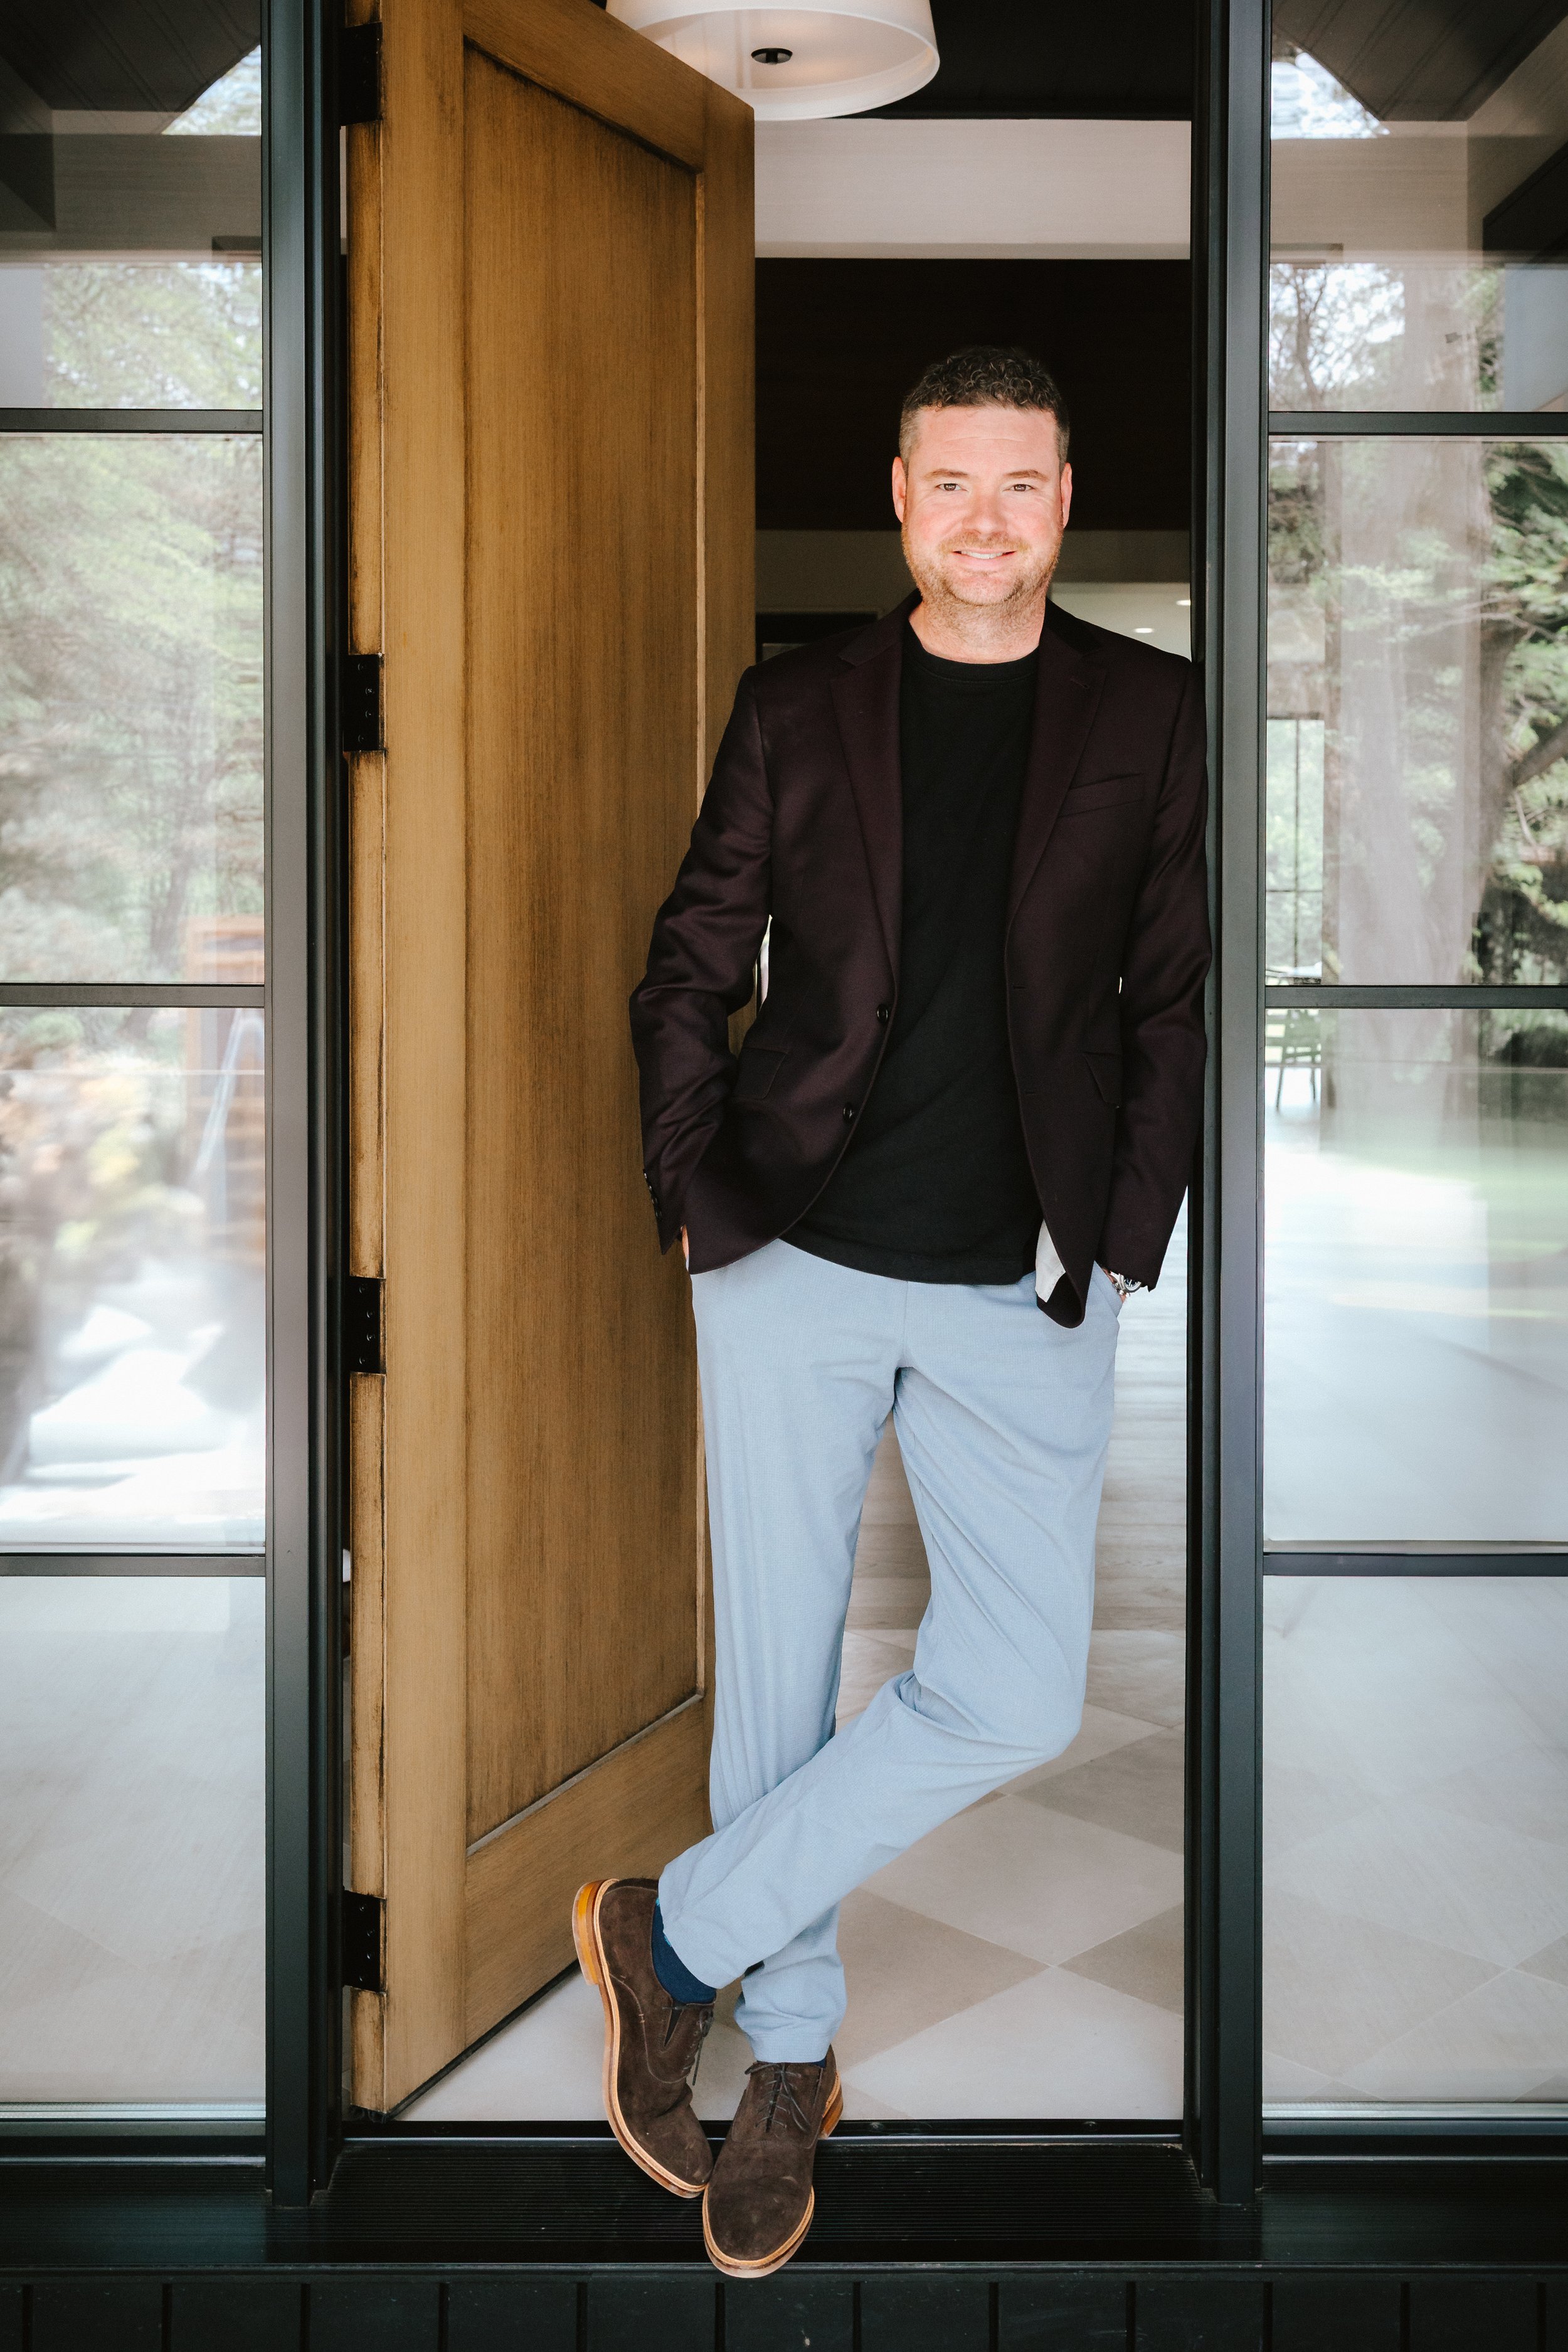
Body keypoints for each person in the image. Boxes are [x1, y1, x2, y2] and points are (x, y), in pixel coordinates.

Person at [573, 345, 1209, 2280]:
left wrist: (1116, 1236)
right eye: (952, 482)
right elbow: (691, 963)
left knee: (1010, 1686)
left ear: (1064, 500)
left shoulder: (1150, 712)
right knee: (774, 1684)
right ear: (901, 497)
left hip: (1026, 1277)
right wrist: (697, 1195)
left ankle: (664, 1935)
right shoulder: (801, 705)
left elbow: (1174, 992)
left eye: (1020, 483)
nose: (986, 517)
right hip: (796, 1262)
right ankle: (787, 2064)